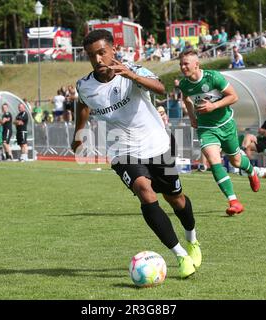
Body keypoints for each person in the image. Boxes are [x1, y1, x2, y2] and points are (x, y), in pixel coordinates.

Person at [72, 29, 201, 279]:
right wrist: (78, 132)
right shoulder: (85, 85)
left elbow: (161, 88)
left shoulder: (134, 71)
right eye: (92, 56)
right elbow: (83, 105)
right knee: (144, 190)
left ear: (113, 51)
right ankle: (180, 255)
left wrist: (132, 76)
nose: (97, 59)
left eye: (101, 53)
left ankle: (192, 240)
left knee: (176, 199)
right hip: (122, 151)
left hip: (156, 145)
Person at [178, 49, 260, 215]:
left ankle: (251, 171)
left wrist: (213, 106)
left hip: (226, 125)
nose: (183, 67)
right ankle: (234, 201)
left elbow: (233, 96)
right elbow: (186, 98)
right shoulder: (184, 84)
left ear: (196, 64)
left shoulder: (213, 77)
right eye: (181, 64)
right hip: (206, 129)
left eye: (186, 64)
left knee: (236, 161)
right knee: (214, 160)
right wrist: (192, 117)